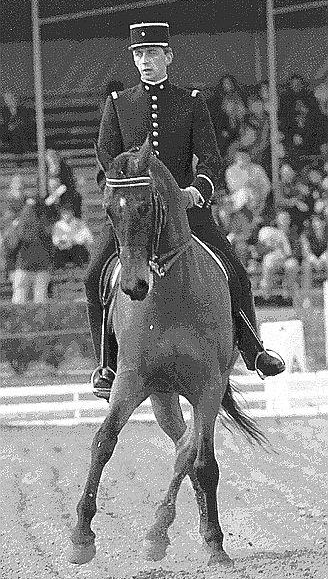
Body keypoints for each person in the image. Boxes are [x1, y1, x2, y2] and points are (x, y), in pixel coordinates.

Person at [86, 22, 285, 398]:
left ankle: (253, 349)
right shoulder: (118, 104)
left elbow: (210, 158)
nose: (145, 60)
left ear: (168, 57)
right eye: (139, 54)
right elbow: (105, 165)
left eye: (152, 54)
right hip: (135, 214)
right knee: (93, 275)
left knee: (233, 268)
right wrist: (121, 197)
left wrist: (198, 190)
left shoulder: (191, 101)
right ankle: (107, 364)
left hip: (183, 208)